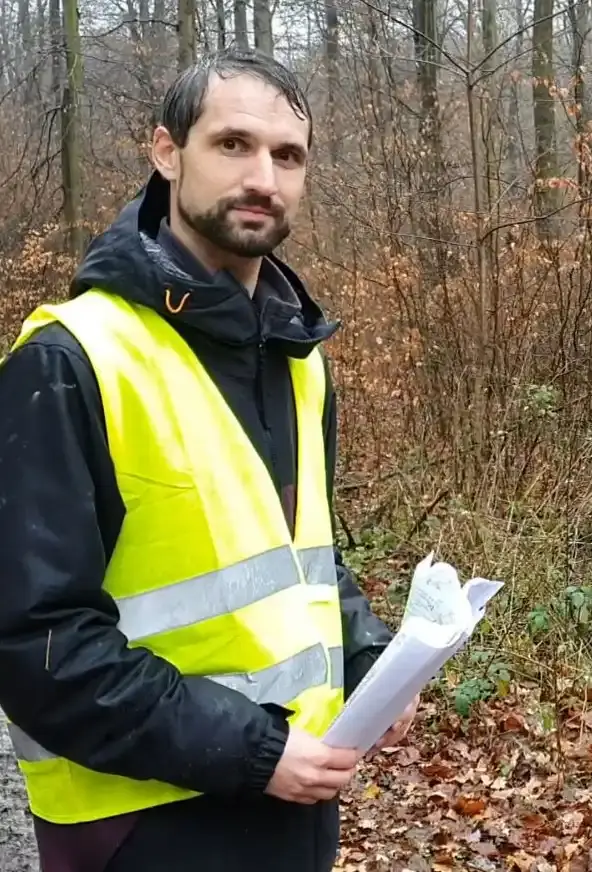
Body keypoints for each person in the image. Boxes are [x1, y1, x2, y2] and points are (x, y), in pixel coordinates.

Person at [0, 47, 419, 871]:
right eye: (233, 144)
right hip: (141, 822)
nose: (263, 176)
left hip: (293, 801)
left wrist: (371, 658)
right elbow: (33, 643)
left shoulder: (298, 357)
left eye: (288, 156)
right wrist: (256, 752)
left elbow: (303, 559)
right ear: (166, 153)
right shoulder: (71, 359)